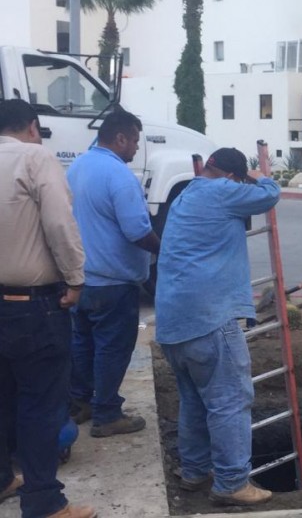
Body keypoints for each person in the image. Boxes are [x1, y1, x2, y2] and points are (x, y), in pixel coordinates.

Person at [155, 148, 280, 506]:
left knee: (194, 400)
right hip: (209, 318)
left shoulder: (186, 195)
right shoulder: (223, 190)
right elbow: (270, 195)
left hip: (173, 322)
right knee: (229, 400)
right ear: (231, 176)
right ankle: (232, 483)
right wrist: (259, 175)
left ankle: (195, 471)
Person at [0, 99, 95, 518]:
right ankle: (43, 503)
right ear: (34, 127)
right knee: (40, 406)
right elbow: (59, 222)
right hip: (32, 306)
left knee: (3, 399)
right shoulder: (35, 158)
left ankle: (3, 480)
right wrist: (75, 278)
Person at [67, 107, 161, 438]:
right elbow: (137, 230)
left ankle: (80, 403)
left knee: (83, 343)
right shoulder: (119, 175)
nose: (136, 147)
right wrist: (165, 249)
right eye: (134, 140)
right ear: (119, 138)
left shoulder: (78, 166)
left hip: (82, 278)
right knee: (112, 347)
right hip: (114, 282)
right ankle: (107, 414)